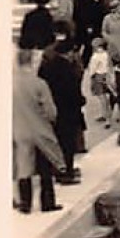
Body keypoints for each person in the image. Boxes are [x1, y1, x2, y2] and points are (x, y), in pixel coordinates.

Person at [13, 49, 65, 213]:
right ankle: (47, 202)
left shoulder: (9, 84)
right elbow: (51, 112)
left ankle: (25, 203)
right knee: (45, 168)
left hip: (19, 130)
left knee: (24, 166)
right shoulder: (39, 84)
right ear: (32, 62)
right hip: (39, 130)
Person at [38, 35, 86, 185]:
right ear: (69, 52)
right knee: (68, 143)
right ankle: (67, 173)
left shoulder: (47, 66)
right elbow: (72, 91)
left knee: (57, 141)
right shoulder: (67, 69)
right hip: (68, 111)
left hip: (53, 110)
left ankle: (59, 169)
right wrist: (81, 100)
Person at [88, 37, 112, 127]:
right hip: (105, 76)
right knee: (105, 97)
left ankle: (106, 117)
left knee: (101, 98)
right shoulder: (106, 54)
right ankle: (105, 115)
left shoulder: (95, 57)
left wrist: (91, 76)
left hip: (97, 76)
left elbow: (92, 69)